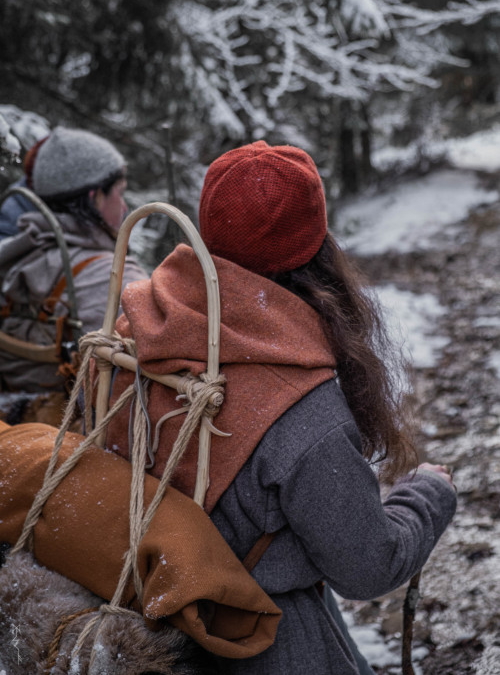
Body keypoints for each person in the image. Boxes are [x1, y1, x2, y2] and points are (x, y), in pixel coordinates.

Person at [103, 141, 456, 674]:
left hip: (144, 615)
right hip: (267, 644)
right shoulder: (300, 410)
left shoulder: (134, 333)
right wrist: (428, 494)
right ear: (317, 247)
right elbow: (366, 567)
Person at [0, 126, 147, 393]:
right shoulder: (114, 277)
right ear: (96, 197)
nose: (125, 207)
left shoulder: (16, 254)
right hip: (71, 428)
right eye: (119, 192)